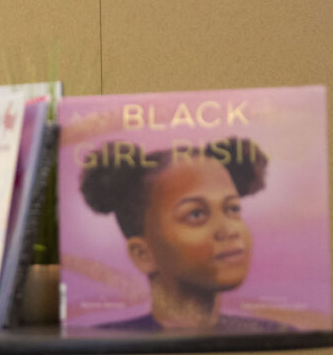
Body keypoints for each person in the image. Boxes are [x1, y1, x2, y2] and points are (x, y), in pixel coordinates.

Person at [79, 135, 292, 331]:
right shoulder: (104, 342)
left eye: (232, 209)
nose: (229, 230)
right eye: (196, 214)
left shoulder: (274, 334)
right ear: (143, 254)